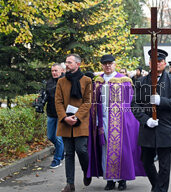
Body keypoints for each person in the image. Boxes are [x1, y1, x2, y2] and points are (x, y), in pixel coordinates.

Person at [87, 54, 145, 191]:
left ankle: (122, 179)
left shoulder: (124, 80)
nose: (107, 65)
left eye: (110, 63)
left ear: (114, 64)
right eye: (105, 63)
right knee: (105, 148)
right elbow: (93, 103)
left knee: (122, 150)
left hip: (120, 121)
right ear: (102, 65)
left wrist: (129, 121)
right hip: (102, 120)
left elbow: (129, 103)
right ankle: (110, 180)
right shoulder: (98, 81)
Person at [131, 49, 171, 192]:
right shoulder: (141, 82)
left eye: (159, 61)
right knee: (146, 161)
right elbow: (134, 105)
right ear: (149, 63)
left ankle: (160, 190)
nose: (157, 64)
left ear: (164, 63)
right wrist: (145, 120)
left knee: (165, 165)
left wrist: (162, 101)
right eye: (154, 61)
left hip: (165, 127)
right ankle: (157, 186)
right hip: (148, 127)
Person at [55, 54, 93, 192]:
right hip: (65, 122)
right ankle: (69, 184)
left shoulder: (87, 80)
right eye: (66, 62)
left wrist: (76, 117)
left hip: (81, 121)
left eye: (70, 62)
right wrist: (65, 117)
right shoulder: (61, 81)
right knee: (68, 153)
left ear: (78, 64)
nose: (67, 65)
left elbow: (88, 102)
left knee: (81, 150)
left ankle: (86, 171)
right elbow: (58, 102)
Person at [45, 63, 65, 169]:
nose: (54, 72)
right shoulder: (49, 82)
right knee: (50, 136)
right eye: (52, 71)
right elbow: (47, 95)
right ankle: (61, 151)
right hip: (51, 113)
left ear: (61, 70)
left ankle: (57, 160)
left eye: (56, 70)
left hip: (61, 114)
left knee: (58, 138)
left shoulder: (65, 81)